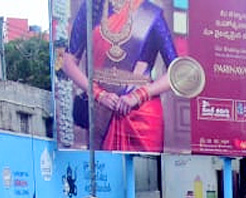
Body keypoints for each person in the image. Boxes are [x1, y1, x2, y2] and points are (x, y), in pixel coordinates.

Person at [59, 0, 180, 152]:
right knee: (103, 171)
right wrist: (99, 94)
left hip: (142, 116)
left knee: (144, 173)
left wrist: (138, 95)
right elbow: (68, 62)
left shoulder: (150, 13)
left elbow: (177, 71)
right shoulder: (92, 7)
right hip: (101, 110)